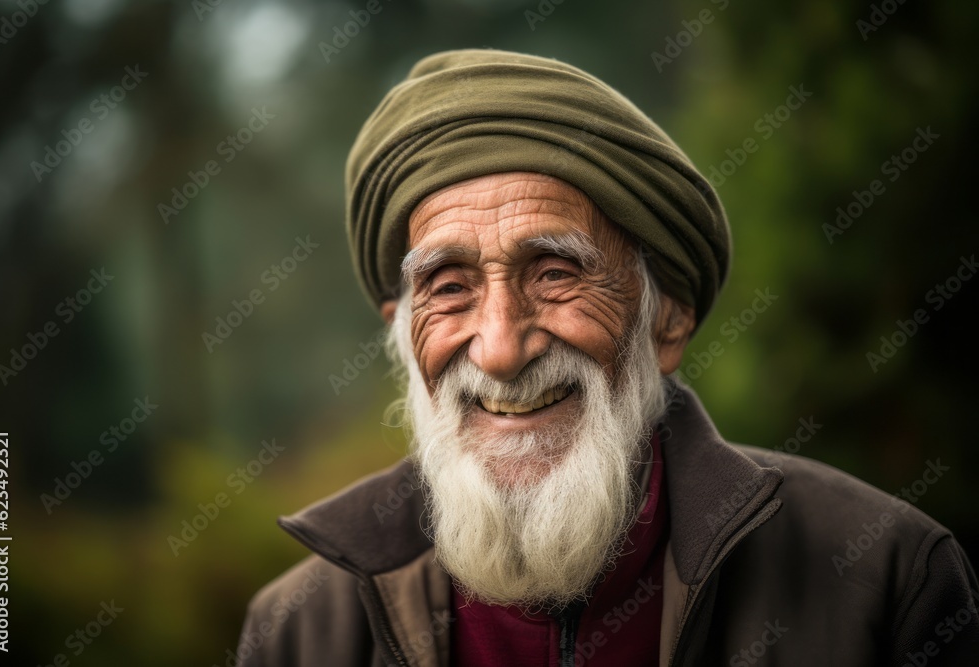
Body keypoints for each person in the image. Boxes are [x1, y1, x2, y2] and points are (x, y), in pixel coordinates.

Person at [236, 49, 978, 666]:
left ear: (668, 320)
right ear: (403, 332)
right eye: (450, 286)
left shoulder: (883, 579)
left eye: (555, 273)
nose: (498, 350)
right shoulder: (299, 633)